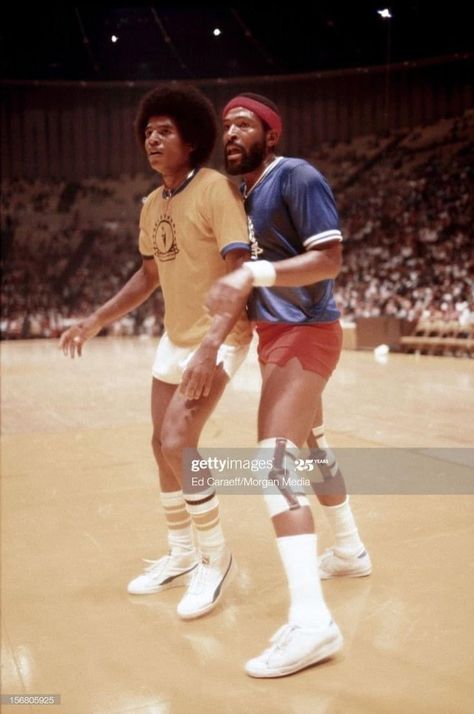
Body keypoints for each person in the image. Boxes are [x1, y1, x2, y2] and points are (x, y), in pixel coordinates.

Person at [60, 85, 252, 620]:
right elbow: (149, 275)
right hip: (176, 337)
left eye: (164, 130)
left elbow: (241, 274)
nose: (152, 138)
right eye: (148, 131)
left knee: (177, 440)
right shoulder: (152, 203)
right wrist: (96, 318)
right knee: (157, 443)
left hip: (220, 336)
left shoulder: (216, 190)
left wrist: (211, 347)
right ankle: (184, 554)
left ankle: (216, 558)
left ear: (190, 140)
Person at [206, 93, 370, 677]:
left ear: (270, 135)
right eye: (225, 125)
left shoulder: (295, 175)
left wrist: (256, 271)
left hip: (307, 333)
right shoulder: (241, 195)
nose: (231, 132)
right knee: (312, 446)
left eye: (244, 124)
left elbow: (329, 260)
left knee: (271, 463)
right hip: (277, 335)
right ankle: (349, 549)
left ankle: (312, 622)